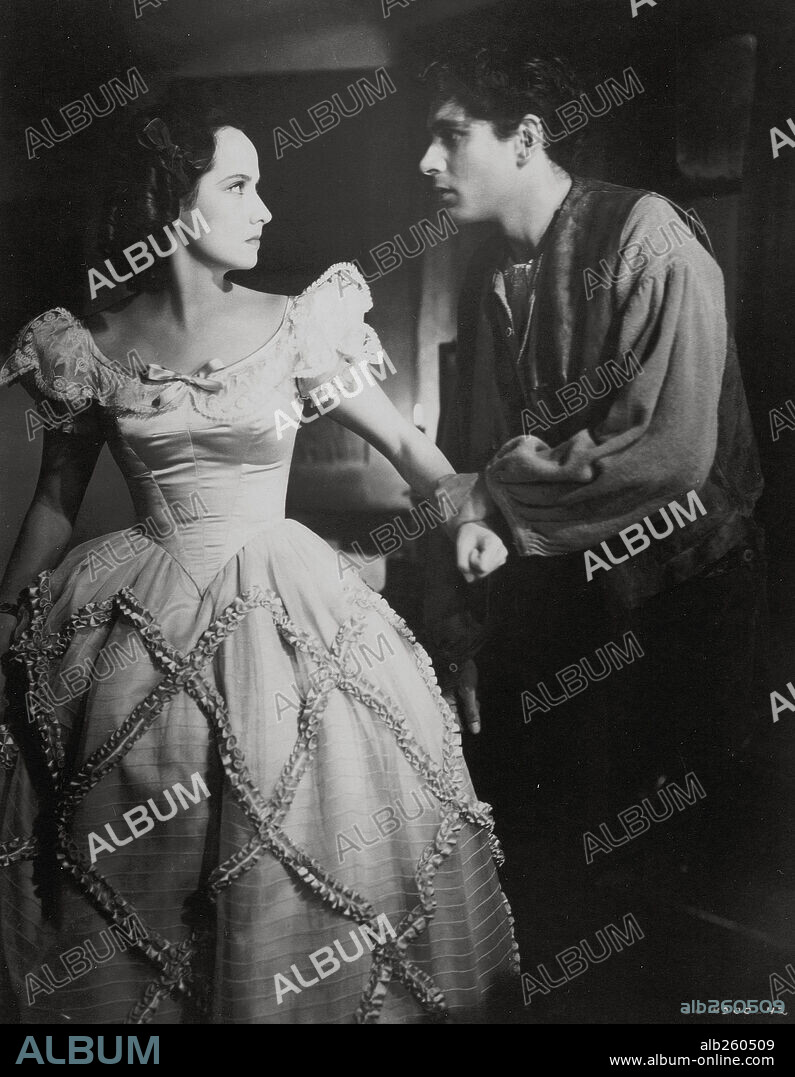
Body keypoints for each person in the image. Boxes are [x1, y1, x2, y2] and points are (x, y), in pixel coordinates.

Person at [0, 101, 519, 1024]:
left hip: (279, 601)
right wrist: (5, 615)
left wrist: (468, 522)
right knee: (133, 857)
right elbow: (54, 501)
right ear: (173, 203)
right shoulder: (91, 344)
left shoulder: (298, 325)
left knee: (297, 832)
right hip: (136, 605)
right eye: (238, 186)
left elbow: (408, 444)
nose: (264, 210)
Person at [418, 48, 766, 936]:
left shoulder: (649, 234)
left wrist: (501, 492)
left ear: (527, 138)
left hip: (682, 605)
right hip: (562, 611)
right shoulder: (485, 275)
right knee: (550, 875)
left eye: (450, 139)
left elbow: (668, 453)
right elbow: (472, 462)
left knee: (680, 891)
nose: (426, 164)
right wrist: (463, 611)